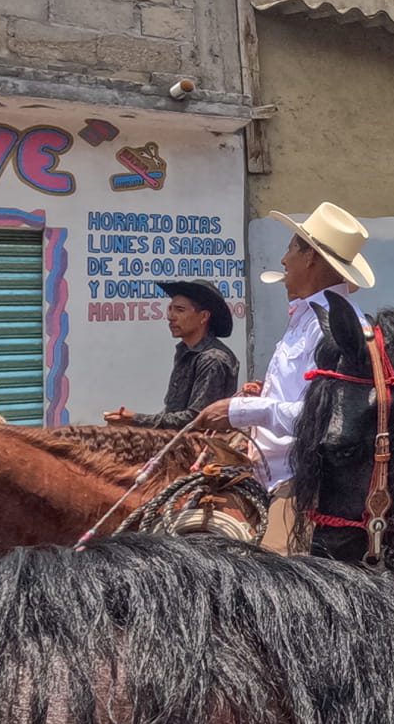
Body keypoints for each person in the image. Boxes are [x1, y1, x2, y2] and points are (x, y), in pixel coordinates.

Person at [190, 202, 372, 554]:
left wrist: (243, 410)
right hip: (270, 472)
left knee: (273, 578)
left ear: (311, 259)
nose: (284, 259)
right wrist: (260, 397)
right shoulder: (310, 318)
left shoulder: (335, 329)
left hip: (300, 483)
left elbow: (326, 420)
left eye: (291, 248)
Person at [106, 280, 239, 427]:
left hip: (203, 447)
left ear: (203, 317)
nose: (171, 316)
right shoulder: (186, 352)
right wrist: (134, 422)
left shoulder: (213, 359)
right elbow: (174, 412)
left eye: (180, 310)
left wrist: (136, 419)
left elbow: (197, 419)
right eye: (170, 309)